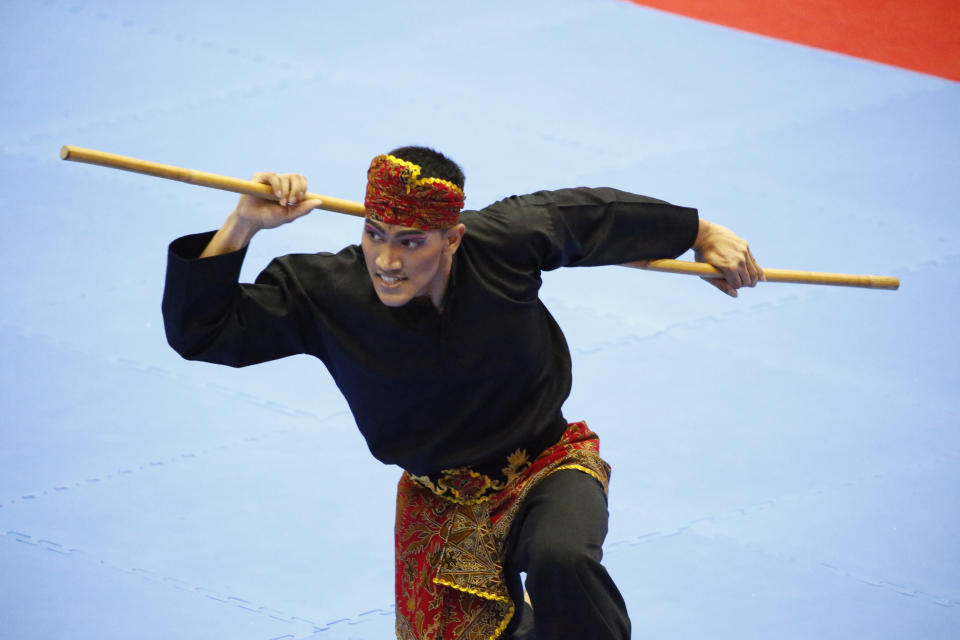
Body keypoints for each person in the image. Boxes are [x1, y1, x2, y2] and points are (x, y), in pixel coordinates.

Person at [162, 146, 762, 640]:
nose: (387, 261)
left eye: (411, 242)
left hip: (548, 465)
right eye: (376, 234)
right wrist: (242, 223)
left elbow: (594, 217)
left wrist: (702, 233)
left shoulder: (505, 241)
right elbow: (204, 332)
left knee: (562, 559)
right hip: (441, 501)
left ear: (452, 238)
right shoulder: (324, 291)